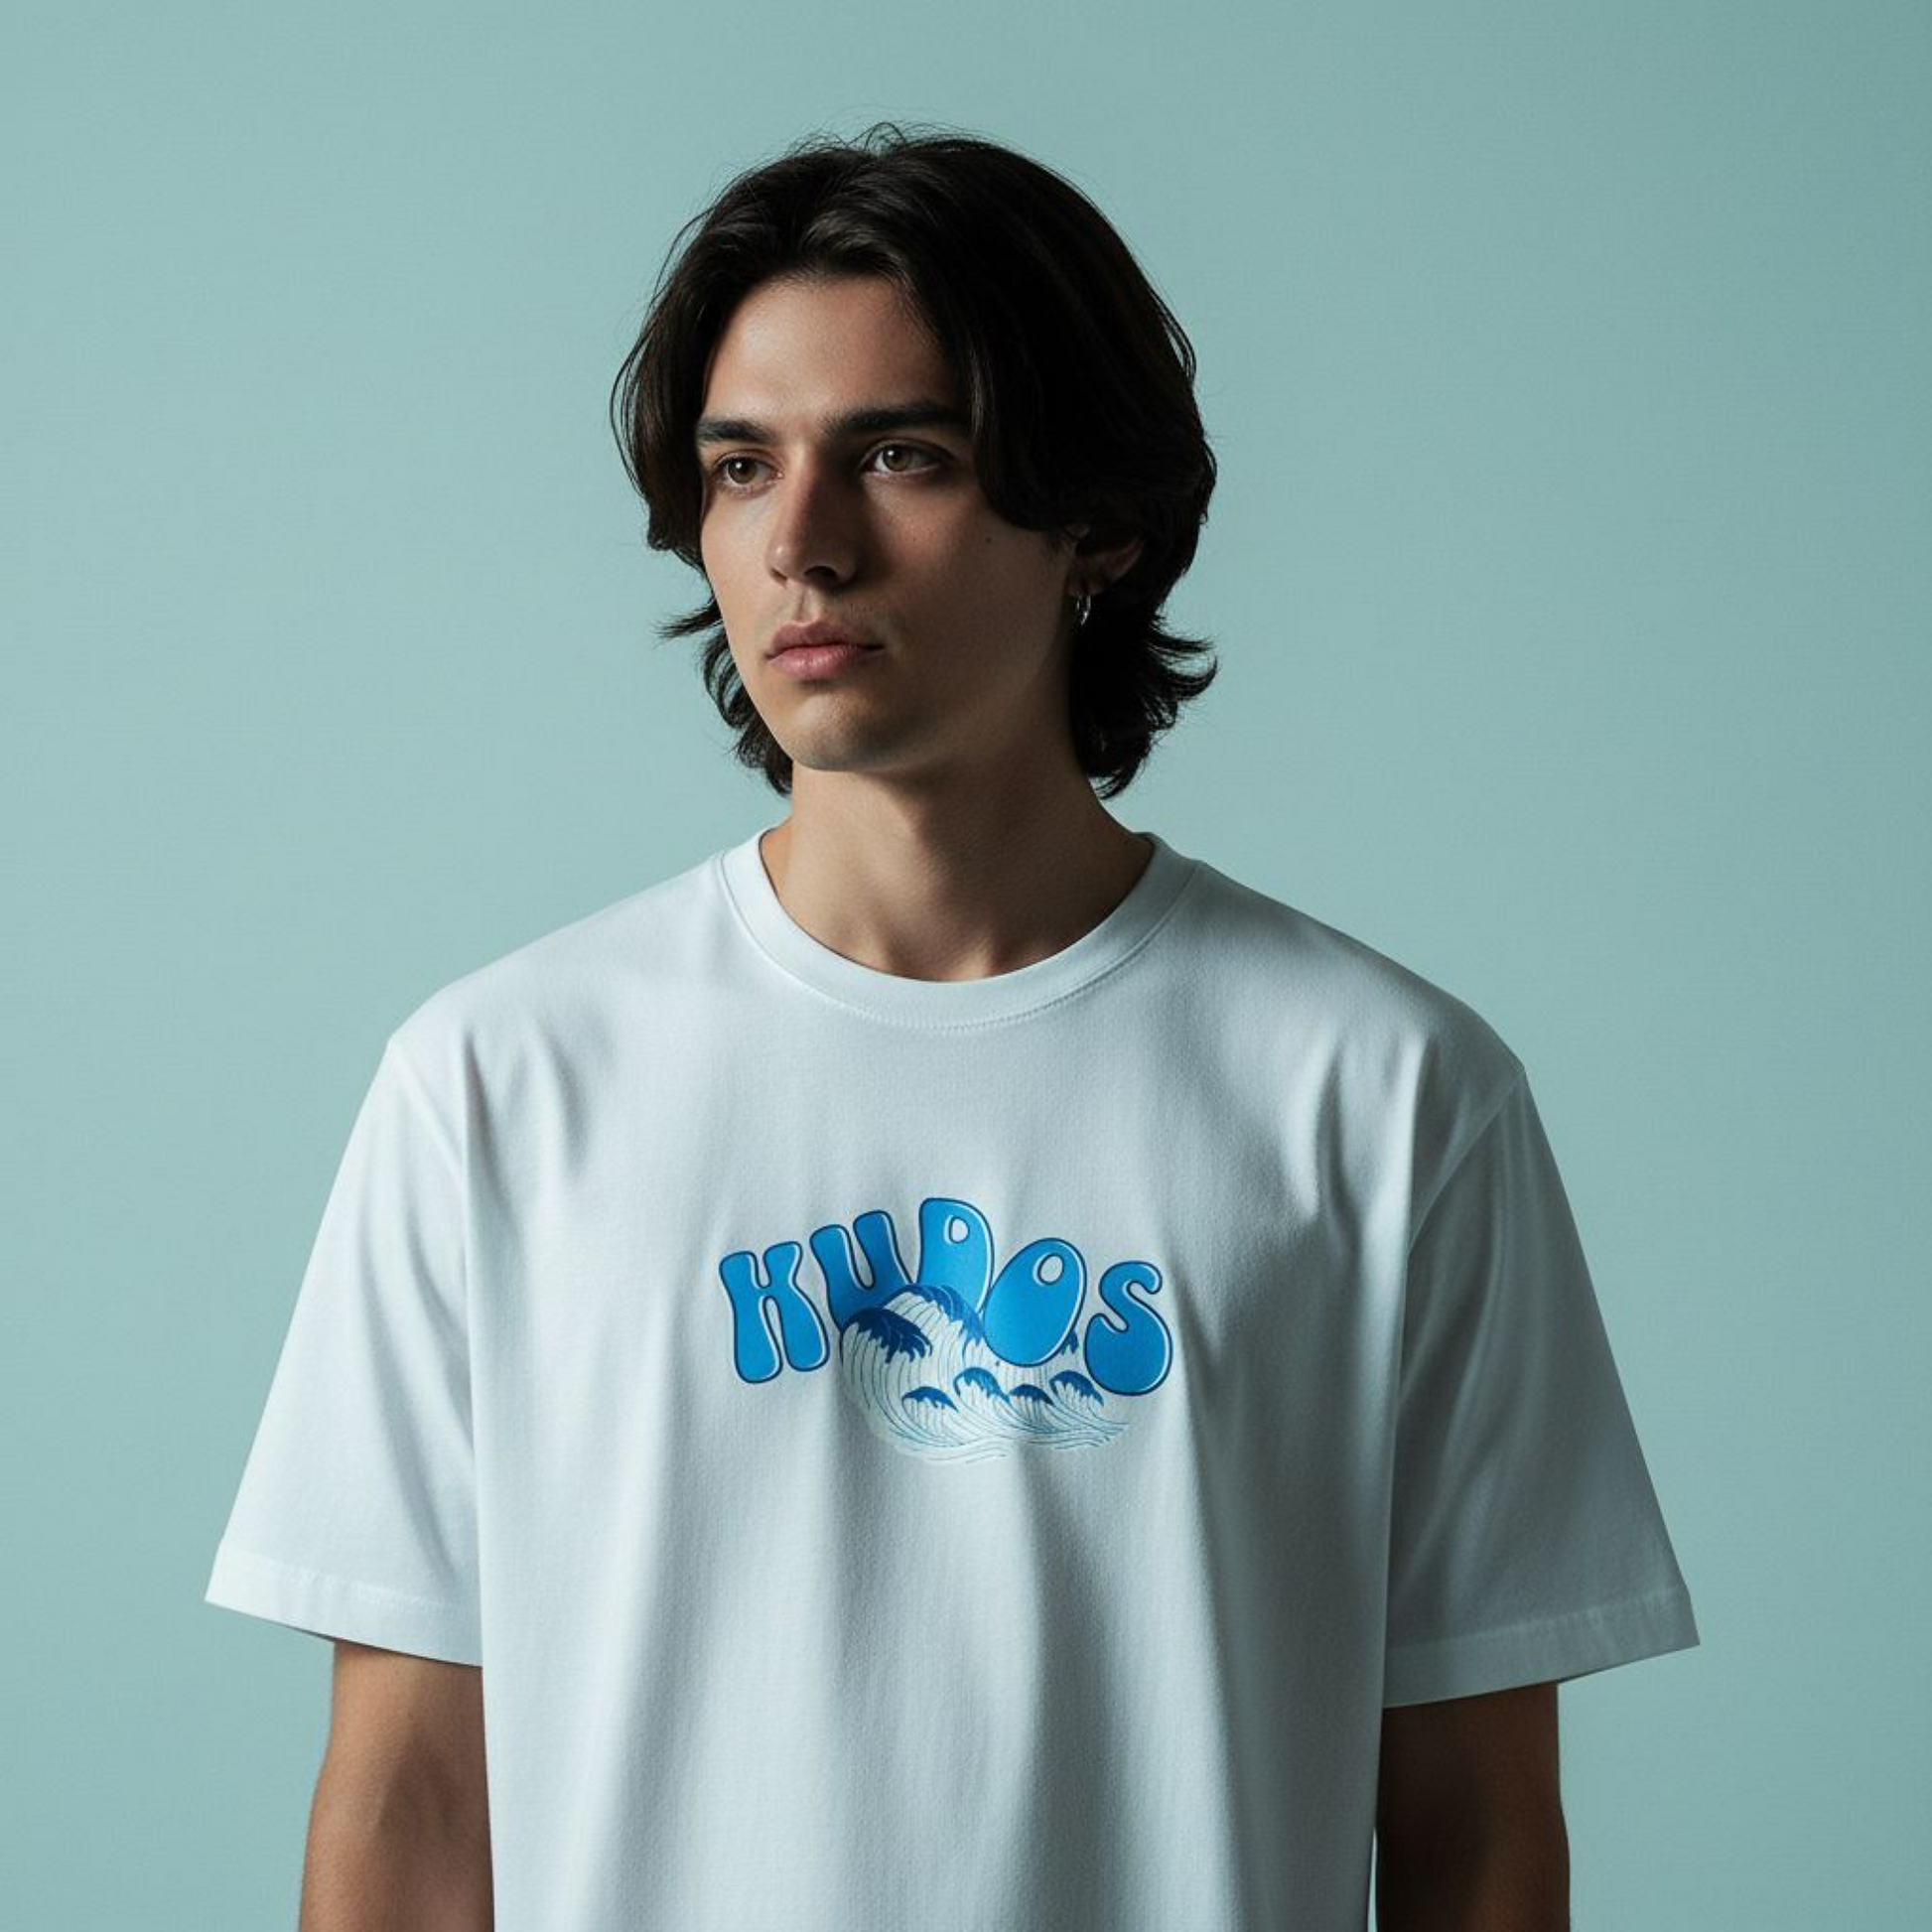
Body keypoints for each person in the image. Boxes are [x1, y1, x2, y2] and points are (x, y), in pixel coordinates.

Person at [204, 122, 1701, 1931]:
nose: (802, 543)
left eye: (900, 455)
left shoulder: (1385, 1097)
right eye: (741, 466)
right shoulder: (496, 1087)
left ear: (1099, 526)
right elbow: (409, 1804)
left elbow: (1476, 1827)